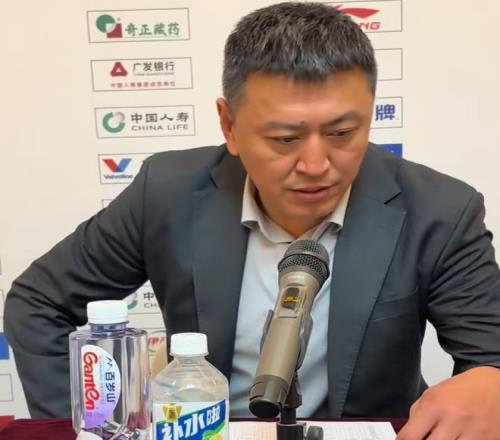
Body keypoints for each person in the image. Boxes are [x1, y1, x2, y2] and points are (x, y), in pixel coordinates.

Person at [5, 2, 500, 439]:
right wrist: (90, 428)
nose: (315, 165)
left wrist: (490, 384)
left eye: (342, 133)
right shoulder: (168, 192)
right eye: (285, 139)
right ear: (229, 125)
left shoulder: (439, 210)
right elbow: (40, 303)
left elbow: (490, 358)